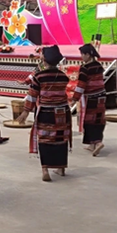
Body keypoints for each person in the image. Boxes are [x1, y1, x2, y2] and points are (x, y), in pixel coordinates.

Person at [16, 45, 76, 182]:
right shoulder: (63, 77)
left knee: (45, 139)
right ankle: (61, 168)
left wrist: (25, 112)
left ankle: (45, 170)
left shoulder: (39, 76)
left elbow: (32, 95)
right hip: (62, 112)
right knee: (60, 138)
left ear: (45, 60)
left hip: (46, 112)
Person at [76, 44, 106, 156]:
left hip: (91, 97)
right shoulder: (98, 66)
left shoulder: (85, 68)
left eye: (82, 54)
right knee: (99, 120)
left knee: (89, 121)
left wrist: (74, 98)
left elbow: (80, 86)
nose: (81, 57)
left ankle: (97, 143)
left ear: (88, 55)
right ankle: (92, 144)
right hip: (102, 96)